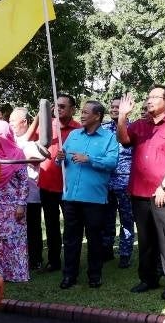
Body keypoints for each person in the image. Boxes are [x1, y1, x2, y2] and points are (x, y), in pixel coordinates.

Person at [117, 85, 165, 300]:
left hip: (163, 193)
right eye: (148, 97)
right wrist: (123, 116)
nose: (149, 101)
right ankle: (148, 278)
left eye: (154, 97)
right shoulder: (140, 125)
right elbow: (123, 139)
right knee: (146, 239)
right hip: (139, 192)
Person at [56, 101, 120, 288]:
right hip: (71, 198)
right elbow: (61, 160)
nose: (81, 115)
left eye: (85, 112)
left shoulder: (109, 138)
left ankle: (94, 275)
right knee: (70, 239)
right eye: (81, 112)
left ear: (97, 116)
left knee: (95, 239)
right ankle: (69, 276)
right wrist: (58, 158)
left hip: (94, 199)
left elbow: (112, 163)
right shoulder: (74, 135)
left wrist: (89, 159)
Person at [37, 94, 82, 271]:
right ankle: (54, 261)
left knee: (72, 225)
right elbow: (30, 141)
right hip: (48, 183)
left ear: (73, 109)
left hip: (70, 185)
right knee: (51, 224)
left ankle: (72, 262)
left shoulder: (79, 129)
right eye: (56, 106)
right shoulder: (48, 125)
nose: (58, 109)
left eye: (63, 106)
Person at [0, 120, 30, 282]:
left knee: (13, 240)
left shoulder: (17, 154)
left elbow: (24, 182)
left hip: (12, 206)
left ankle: (16, 274)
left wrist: (20, 204)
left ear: (3, 135)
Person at [102, 98, 135, 268]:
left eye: (118, 107)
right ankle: (106, 249)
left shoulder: (134, 128)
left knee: (126, 220)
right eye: (112, 107)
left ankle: (125, 253)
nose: (115, 109)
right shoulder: (103, 128)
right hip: (106, 183)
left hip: (126, 182)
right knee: (106, 219)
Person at [11, 107, 44, 269]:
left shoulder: (30, 143)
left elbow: (39, 159)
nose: (10, 125)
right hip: (13, 197)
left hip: (31, 195)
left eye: (12, 121)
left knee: (33, 228)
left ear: (24, 122)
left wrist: (24, 158)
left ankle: (35, 260)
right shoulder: (10, 142)